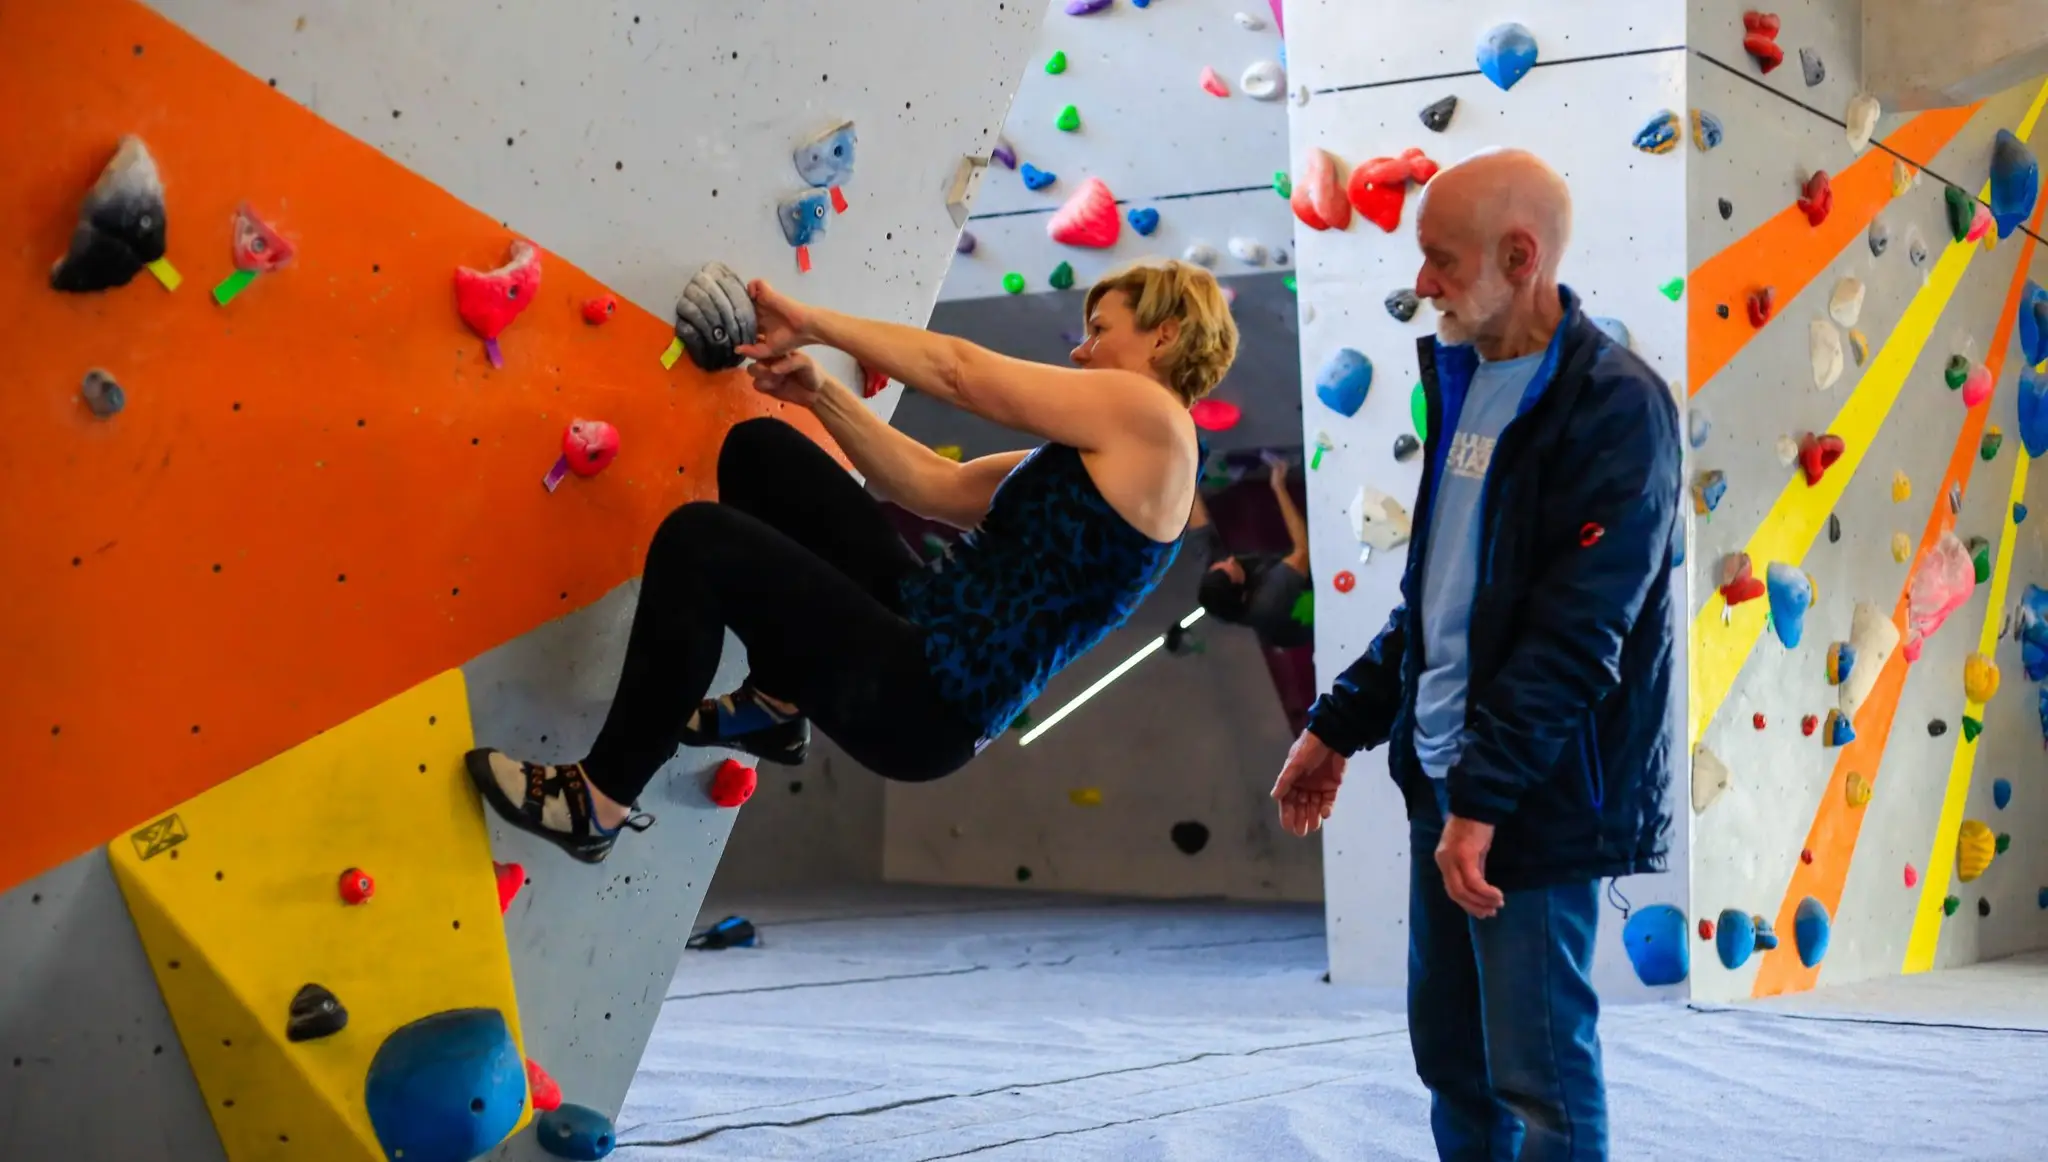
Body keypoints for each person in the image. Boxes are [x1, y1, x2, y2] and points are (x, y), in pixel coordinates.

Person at [466, 258, 1239, 863]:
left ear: (1164, 336)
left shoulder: (1153, 421)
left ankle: (598, 800)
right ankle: (775, 705)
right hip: (920, 627)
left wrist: (812, 323)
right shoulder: (1100, 449)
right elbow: (935, 487)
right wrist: (819, 397)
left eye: (1101, 329)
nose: (1081, 346)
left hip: (928, 699)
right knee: (764, 451)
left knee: (699, 542)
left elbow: (960, 372)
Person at [1269, 148, 1681, 1160]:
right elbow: (1434, 604)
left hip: (1530, 795)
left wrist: (1483, 800)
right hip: (1445, 785)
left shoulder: (1614, 409)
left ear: (1518, 254)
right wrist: (1335, 724)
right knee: (1450, 1059)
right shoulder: (1462, 385)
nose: (1420, 283)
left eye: (1439, 259)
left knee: (1536, 1075)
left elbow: (1577, 636)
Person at [1189, 454, 1313, 650]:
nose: (1229, 559)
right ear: (1243, 592)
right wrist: (1279, 487)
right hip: (1305, 611)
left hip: (1279, 573)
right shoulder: (1266, 601)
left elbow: (1199, 525)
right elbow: (1303, 550)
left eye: (1220, 564)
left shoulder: (1216, 577)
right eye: (1231, 567)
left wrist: (1188, 474)